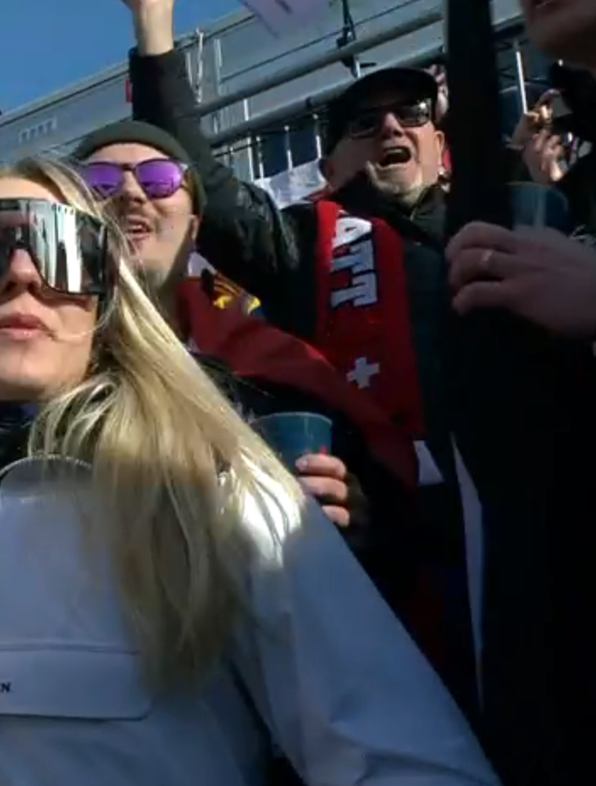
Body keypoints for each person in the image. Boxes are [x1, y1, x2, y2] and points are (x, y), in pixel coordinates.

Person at [0, 157, 494, 786]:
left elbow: (402, 757)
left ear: (103, 302)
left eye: (64, 250)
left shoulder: (216, 491)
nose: (22, 275)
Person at [120, 0, 483, 717]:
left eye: (410, 112)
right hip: (384, 568)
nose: (390, 126)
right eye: (363, 122)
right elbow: (195, 175)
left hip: (538, 551)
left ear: (443, 141)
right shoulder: (298, 245)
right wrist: (154, 28)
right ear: (331, 165)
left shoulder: (527, 218)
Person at [71, 121, 421, 627]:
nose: (129, 193)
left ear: (194, 226)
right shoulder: (24, 371)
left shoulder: (275, 366)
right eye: (100, 182)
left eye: (160, 179)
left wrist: (362, 515)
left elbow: (392, 522)